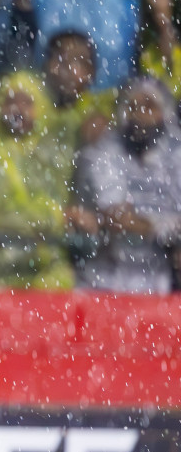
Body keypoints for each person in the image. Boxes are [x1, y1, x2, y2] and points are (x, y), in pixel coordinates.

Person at [68, 77, 181, 293]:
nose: (139, 115)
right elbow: (116, 215)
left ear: (165, 113)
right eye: (132, 107)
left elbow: (131, 222)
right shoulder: (104, 151)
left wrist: (146, 226)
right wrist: (156, 226)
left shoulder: (178, 152)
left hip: (158, 280)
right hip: (102, 279)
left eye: (149, 106)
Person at [0, 71, 77, 288]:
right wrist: (53, 217)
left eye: (27, 102)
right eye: (10, 101)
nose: (18, 109)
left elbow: (66, 210)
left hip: (46, 261)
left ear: (41, 109)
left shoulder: (56, 153)